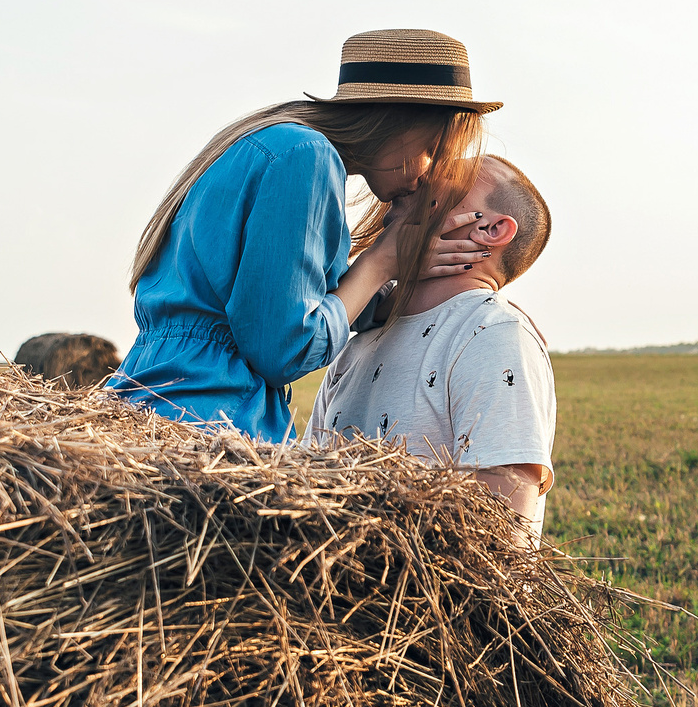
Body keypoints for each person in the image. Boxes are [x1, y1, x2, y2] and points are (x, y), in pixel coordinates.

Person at [108, 28, 498, 440]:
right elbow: (284, 349)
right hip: (210, 417)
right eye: (432, 150)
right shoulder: (308, 158)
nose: (426, 174)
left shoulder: (273, 142)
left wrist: (479, 308)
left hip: (159, 399)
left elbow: (286, 299)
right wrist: (380, 262)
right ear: (396, 119)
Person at [304, 156, 556, 537]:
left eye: (451, 175)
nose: (419, 176)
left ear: (491, 229)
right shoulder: (359, 340)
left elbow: (502, 542)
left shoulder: (494, 334)